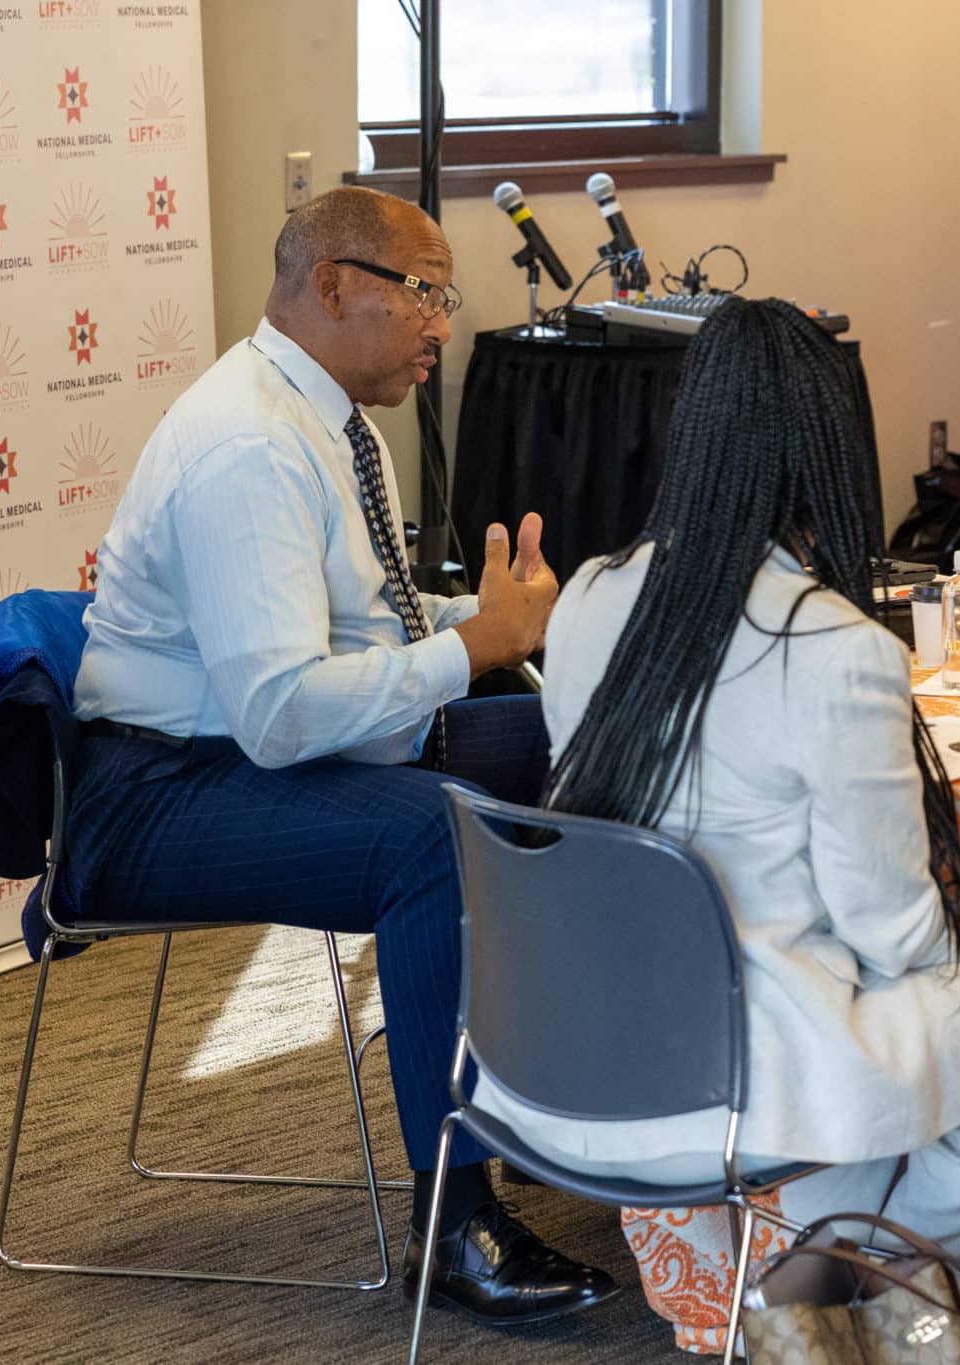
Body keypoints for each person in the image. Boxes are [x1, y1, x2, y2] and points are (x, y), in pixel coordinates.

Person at [472, 298, 960, 1287]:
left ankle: (841, 1264)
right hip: (742, 1078)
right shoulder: (835, 648)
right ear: (830, 452)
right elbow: (887, 926)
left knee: (903, 1020)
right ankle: (850, 1269)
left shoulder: (593, 595)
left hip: (559, 1054)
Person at [69, 188, 617, 1324]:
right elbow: (277, 714)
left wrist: (497, 617)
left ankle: (575, 1112)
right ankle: (453, 1225)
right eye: (423, 292)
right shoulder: (247, 446)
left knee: (590, 744)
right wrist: (476, 647)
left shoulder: (332, 418)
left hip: (243, 755)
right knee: (431, 836)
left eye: (444, 295)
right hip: (154, 794)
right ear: (332, 286)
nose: (443, 324)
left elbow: (367, 630)